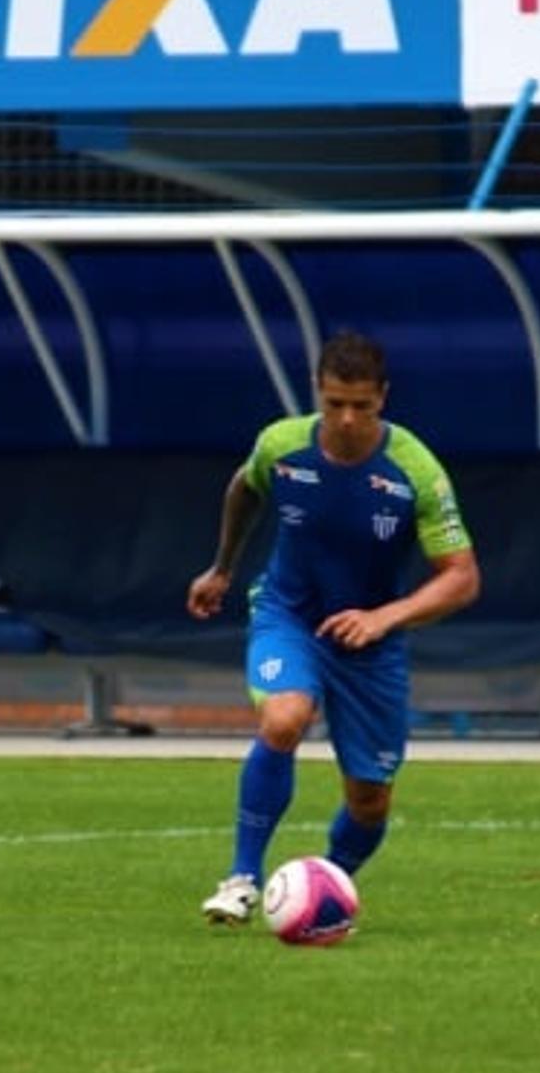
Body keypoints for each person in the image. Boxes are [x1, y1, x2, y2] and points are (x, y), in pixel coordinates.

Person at [187, 332, 480, 925]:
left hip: (369, 643)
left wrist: (384, 618)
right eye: (334, 403)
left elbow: (462, 577)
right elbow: (244, 489)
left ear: (384, 399)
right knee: (284, 717)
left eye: (362, 406)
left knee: (370, 801)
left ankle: (320, 888)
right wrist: (222, 568)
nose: (346, 419)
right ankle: (243, 877)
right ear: (317, 393)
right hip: (288, 614)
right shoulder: (282, 445)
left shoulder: (414, 471)